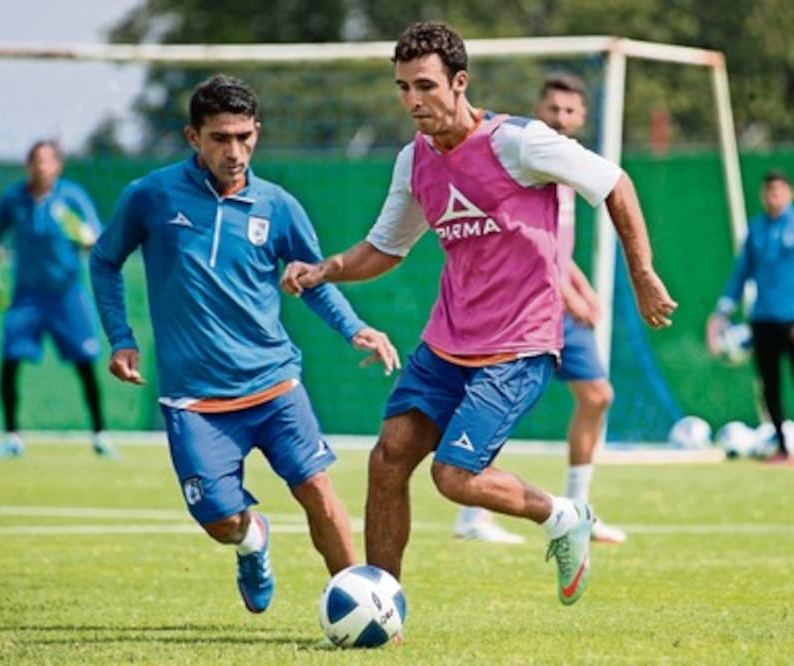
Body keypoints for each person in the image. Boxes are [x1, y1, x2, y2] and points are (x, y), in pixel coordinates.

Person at [280, 22, 677, 606]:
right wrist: (326, 269)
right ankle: (382, 604)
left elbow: (615, 183)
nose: (413, 101)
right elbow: (386, 247)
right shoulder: (413, 160)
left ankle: (563, 514)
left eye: (426, 86)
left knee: (454, 476)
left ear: (459, 83)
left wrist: (642, 274)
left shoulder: (520, 142)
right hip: (447, 342)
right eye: (403, 88)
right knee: (388, 459)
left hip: (518, 346)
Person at [89, 74, 401, 614]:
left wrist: (355, 327)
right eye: (220, 138)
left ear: (257, 131)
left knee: (317, 490)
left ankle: (365, 605)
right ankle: (252, 542)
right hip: (194, 399)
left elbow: (312, 280)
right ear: (193, 137)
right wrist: (121, 337)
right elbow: (104, 260)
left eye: (244, 137)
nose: (234, 151)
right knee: (221, 521)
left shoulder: (277, 205)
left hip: (273, 383)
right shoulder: (150, 196)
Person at [452, 72, 626, 545]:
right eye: (553, 109)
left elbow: (556, 245)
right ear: (539, 110)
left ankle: (581, 509)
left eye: (570, 111)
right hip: (523, 305)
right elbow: (526, 243)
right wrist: (570, 293)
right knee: (498, 404)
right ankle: (472, 515)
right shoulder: (525, 162)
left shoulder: (566, 170)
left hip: (557, 303)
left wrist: (579, 284)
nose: (561, 118)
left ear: (583, 117)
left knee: (598, 395)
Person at [0, 140, 117, 460]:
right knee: (9, 361)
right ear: (28, 165)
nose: (41, 167)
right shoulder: (13, 200)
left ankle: (100, 435)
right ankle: (12, 437)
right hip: (27, 296)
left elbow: (96, 240)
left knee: (85, 363)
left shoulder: (72, 197)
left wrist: (87, 239)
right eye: (36, 161)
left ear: (58, 166)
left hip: (67, 294)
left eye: (47, 161)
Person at [705, 170, 794, 471]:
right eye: (767, 191)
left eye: (778, 190)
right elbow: (741, 273)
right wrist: (721, 312)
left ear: (790, 193)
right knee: (769, 386)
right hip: (762, 319)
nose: (772, 196)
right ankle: (782, 449)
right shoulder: (757, 229)